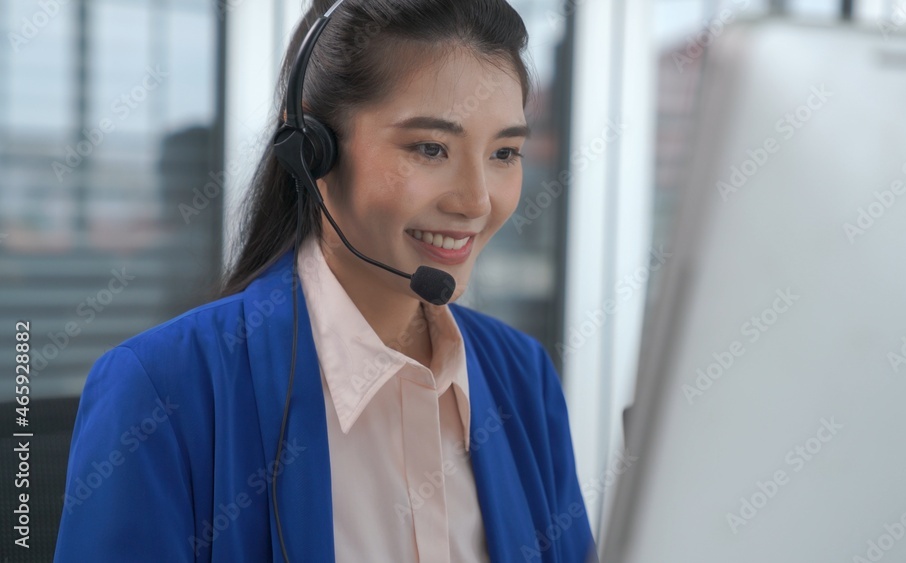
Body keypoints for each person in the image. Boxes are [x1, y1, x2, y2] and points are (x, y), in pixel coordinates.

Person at [53, 0, 595, 561]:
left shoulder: (521, 376)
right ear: (312, 149)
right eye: (431, 148)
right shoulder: (161, 390)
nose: (477, 200)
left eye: (505, 152)